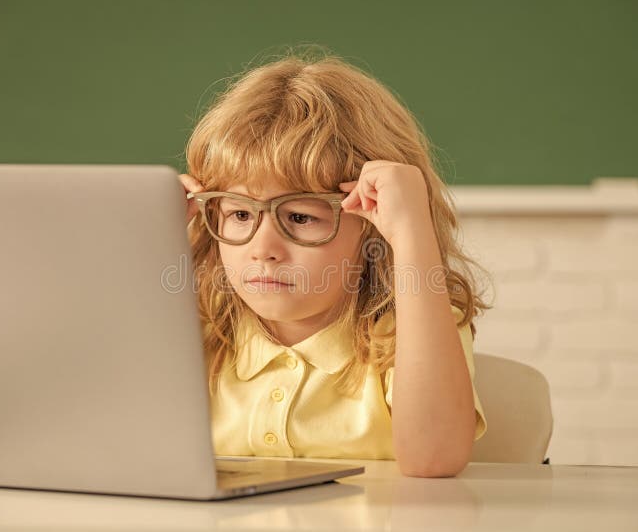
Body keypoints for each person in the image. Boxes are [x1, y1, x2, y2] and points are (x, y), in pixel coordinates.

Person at [178, 47, 490, 477]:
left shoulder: (408, 330)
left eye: (301, 217)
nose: (263, 247)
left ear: (374, 227)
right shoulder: (193, 330)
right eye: (240, 214)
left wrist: (412, 234)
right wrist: (141, 248)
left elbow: (434, 458)